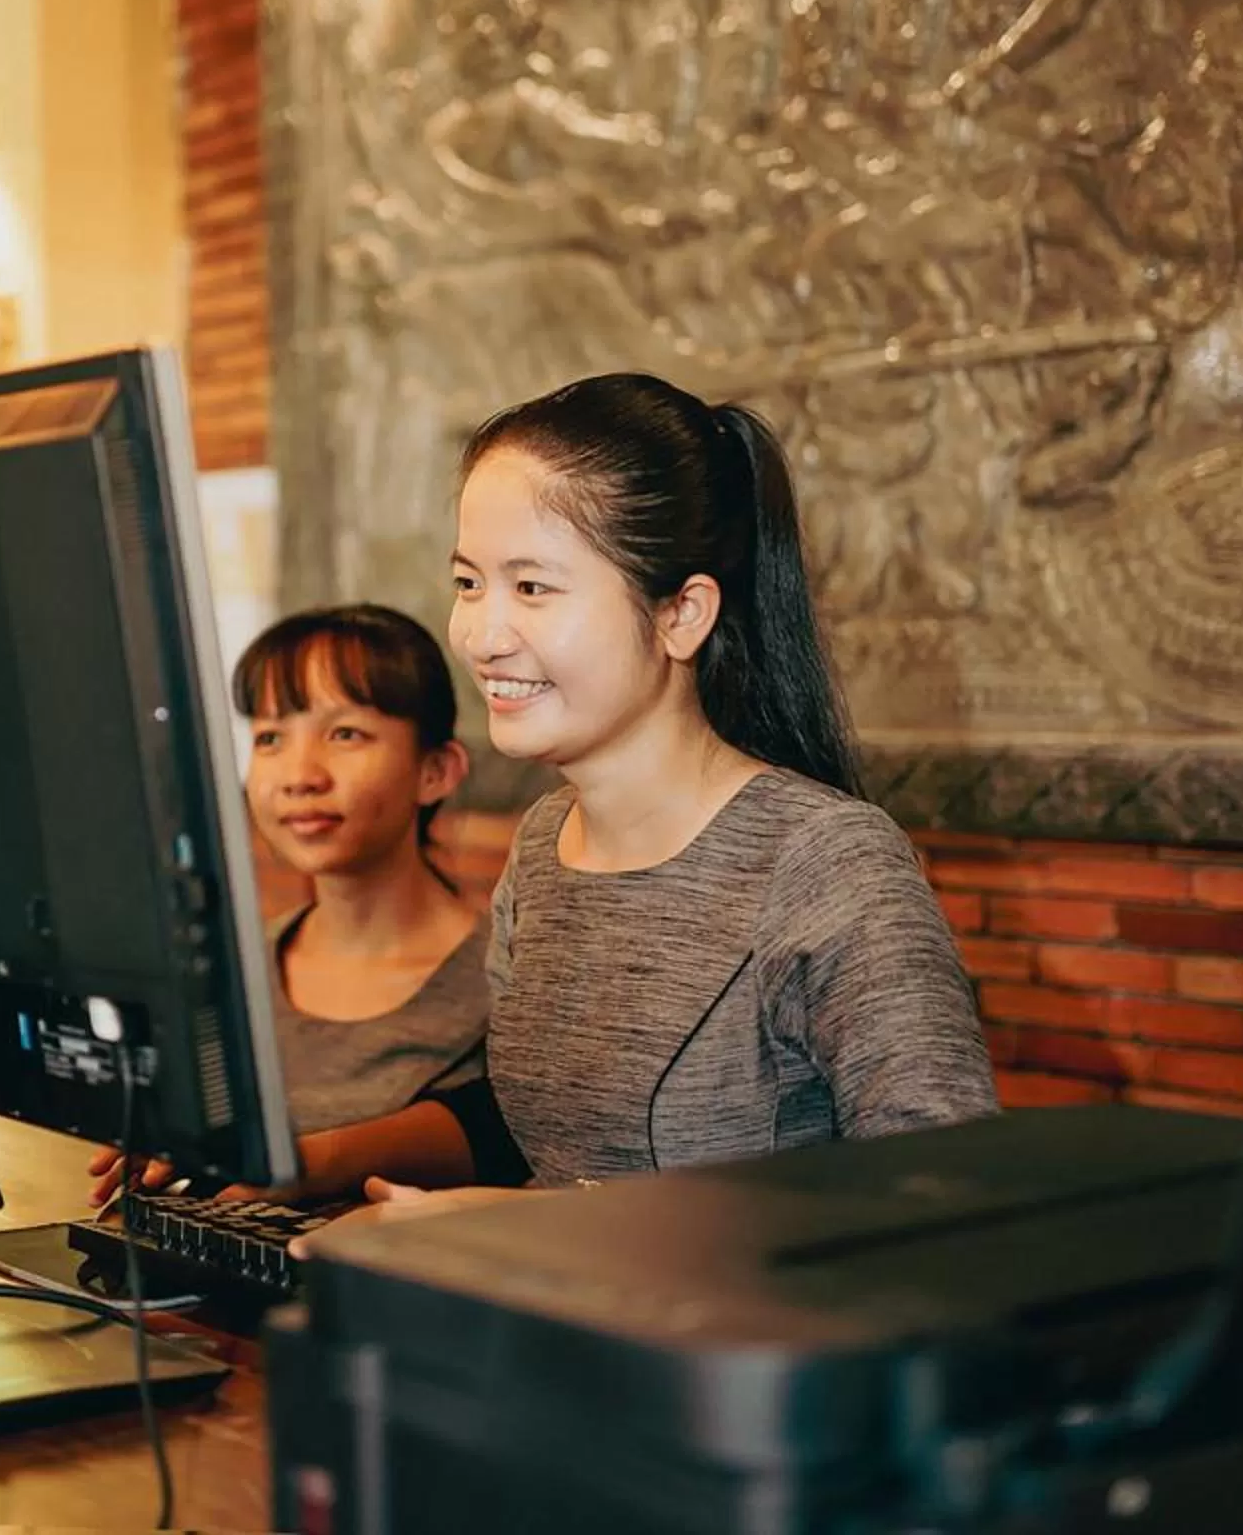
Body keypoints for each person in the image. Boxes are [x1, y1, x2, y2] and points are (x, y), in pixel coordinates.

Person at [323, 371, 997, 1237]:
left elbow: (947, 1196)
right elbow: (559, 1157)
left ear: (682, 614)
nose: (482, 637)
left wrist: (539, 1230)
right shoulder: (543, 846)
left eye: (532, 588)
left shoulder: (826, 859)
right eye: (468, 583)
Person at [89, 605, 492, 1205]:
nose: (299, 776)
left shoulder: (510, 983)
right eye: (270, 738)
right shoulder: (224, 976)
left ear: (435, 771)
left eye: (345, 733)